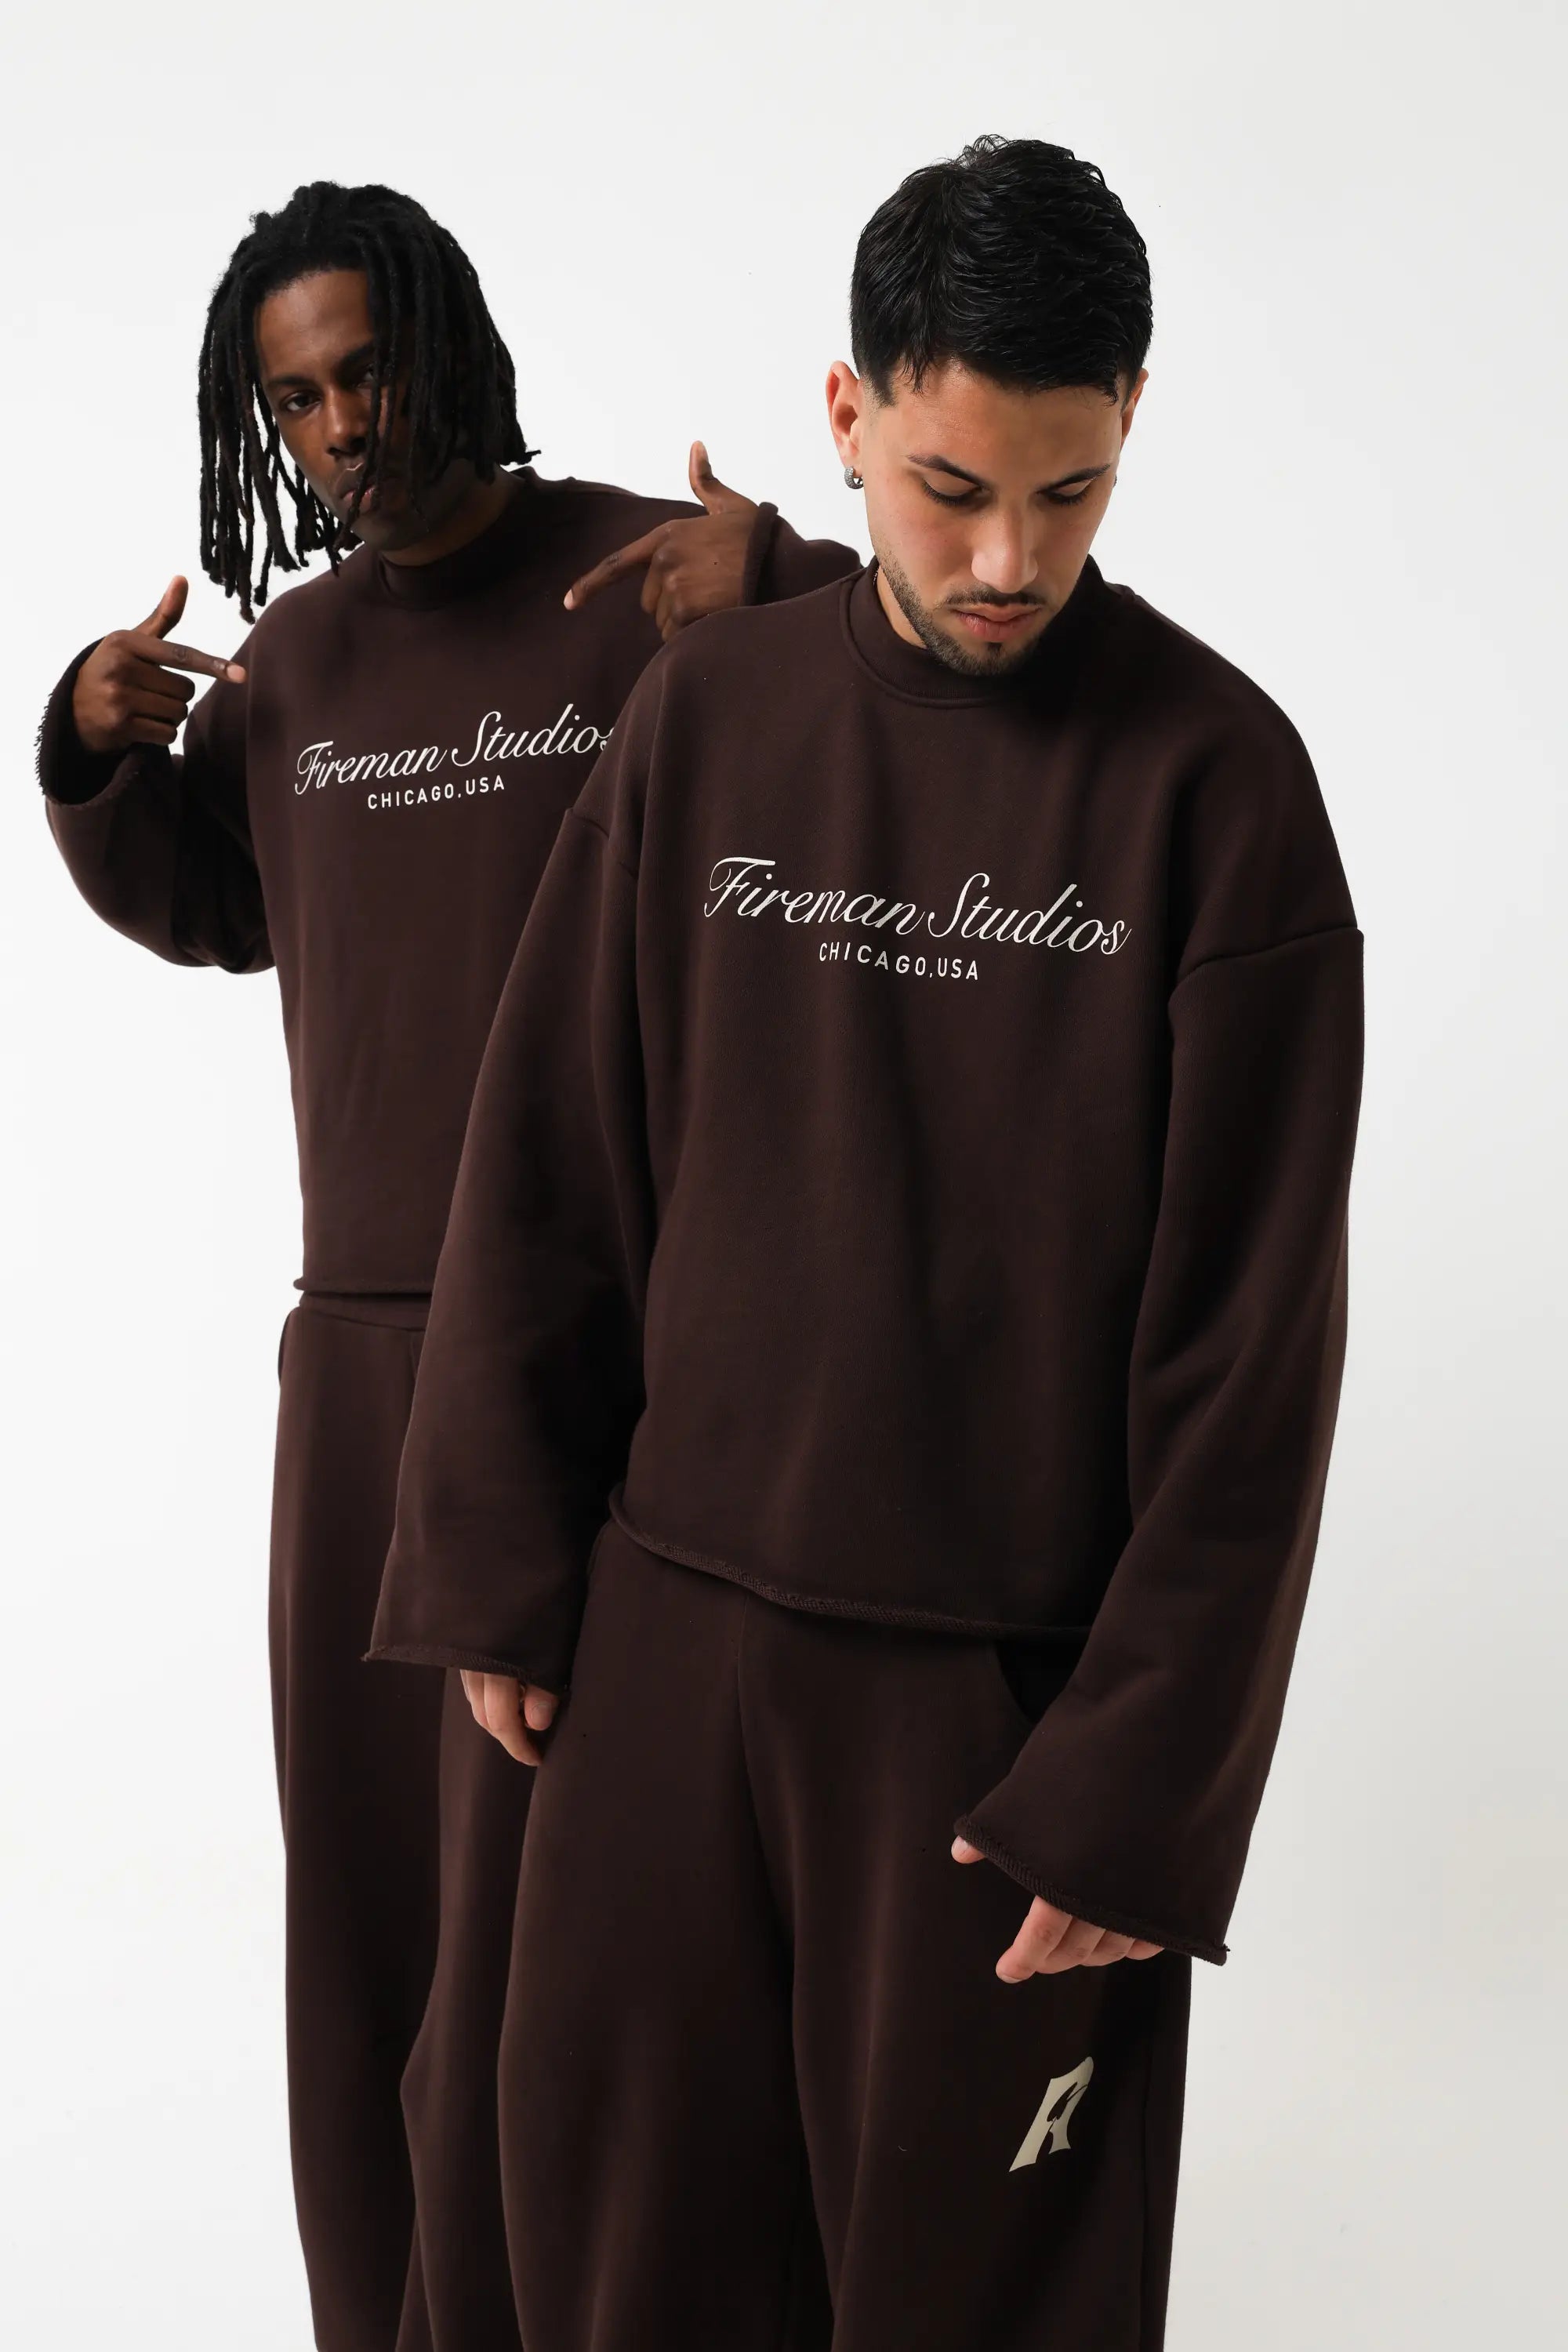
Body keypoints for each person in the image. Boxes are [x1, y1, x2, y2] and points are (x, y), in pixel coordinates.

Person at [375, 133, 1363, 2350]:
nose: (1011, 558)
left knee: (977, 2301)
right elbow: (554, 1165)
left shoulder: (1221, 792)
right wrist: (504, 1559)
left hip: (993, 1729)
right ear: (848, 413)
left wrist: (1138, 1785)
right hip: (663, 1651)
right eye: (948, 488)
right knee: (618, 2265)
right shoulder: (710, 722)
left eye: (1072, 490)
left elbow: (1253, 1356)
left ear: (1132, 424)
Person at [36, 179, 856, 2352]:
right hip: (365, 1378)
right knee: (376, 1927)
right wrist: (95, 755)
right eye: (296, 401)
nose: (342, 430)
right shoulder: (295, 668)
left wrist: (786, 584)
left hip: (624, 1367)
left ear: (448, 345)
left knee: (578, 1930)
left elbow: (878, 743)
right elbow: (229, 906)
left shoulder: (635, 588)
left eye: (369, 371)